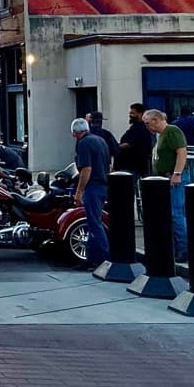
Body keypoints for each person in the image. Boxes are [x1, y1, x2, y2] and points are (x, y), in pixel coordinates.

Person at [144, 108, 189, 262]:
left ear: (156, 120)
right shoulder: (161, 135)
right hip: (165, 178)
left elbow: (182, 152)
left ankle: (183, 248)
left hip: (173, 178)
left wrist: (177, 173)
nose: (147, 126)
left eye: (147, 123)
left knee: (176, 213)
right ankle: (176, 247)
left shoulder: (172, 131)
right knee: (170, 214)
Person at [70, 118, 110, 270]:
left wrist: (79, 192)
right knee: (93, 223)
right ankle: (91, 259)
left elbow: (86, 169)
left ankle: (106, 259)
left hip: (93, 186)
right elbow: (109, 164)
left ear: (75, 133)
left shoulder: (84, 143)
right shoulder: (101, 140)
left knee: (94, 224)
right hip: (103, 184)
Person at [116, 103, 154, 176]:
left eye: (132, 113)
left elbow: (129, 144)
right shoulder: (135, 127)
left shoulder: (140, 128)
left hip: (133, 166)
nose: (130, 115)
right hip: (130, 166)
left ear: (140, 114)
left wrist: (115, 147)